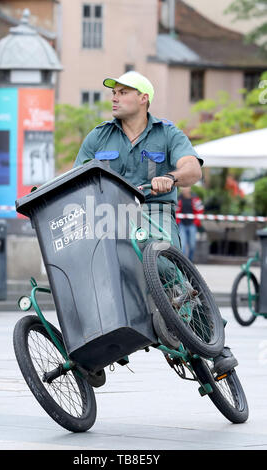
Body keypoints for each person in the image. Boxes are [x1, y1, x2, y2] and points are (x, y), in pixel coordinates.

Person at [74, 70, 237, 376]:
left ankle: (217, 346)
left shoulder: (167, 133)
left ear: (143, 98)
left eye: (123, 92)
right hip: (108, 217)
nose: (114, 97)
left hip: (153, 212)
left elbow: (192, 169)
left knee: (163, 264)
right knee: (87, 273)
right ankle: (91, 352)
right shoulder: (99, 136)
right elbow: (75, 177)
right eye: (114, 92)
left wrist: (171, 177)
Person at [176, 187, 204, 262]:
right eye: (183, 188)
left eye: (186, 188)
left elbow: (200, 210)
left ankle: (190, 261)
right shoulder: (178, 199)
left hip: (192, 225)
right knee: (183, 245)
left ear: (189, 189)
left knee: (192, 245)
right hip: (182, 225)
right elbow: (175, 211)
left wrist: (196, 222)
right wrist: (178, 222)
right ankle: (184, 262)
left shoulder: (195, 199)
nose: (184, 189)